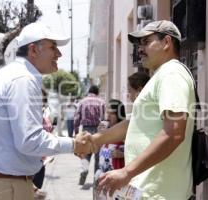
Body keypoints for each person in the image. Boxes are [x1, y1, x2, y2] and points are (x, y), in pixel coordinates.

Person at [0, 21, 92, 200]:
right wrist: (73, 144)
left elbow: (10, 142)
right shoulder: (23, 79)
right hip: (0, 186)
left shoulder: (15, 75)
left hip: (2, 182)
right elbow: (30, 141)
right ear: (33, 50)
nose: (59, 54)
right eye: (53, 47)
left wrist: (22, 181)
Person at [80, 20, 196, 199]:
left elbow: (174, 134)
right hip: (147, 191)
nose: (140, 49)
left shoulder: (171, 74)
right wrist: (96, 140)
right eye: (139, 44)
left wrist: (127, 172)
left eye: (146, 42)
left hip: (160, 193)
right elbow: (134, 124)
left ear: (166, 42)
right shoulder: (160, 76)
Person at [74, 85, 105, 185]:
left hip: (86, 130)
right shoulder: (101, 102)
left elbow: (76, 117)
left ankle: (84, 169)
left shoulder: (82, 101)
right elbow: (104, 118)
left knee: (86, 153)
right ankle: (96, 180)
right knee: (97, 156)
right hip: (98, 129)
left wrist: (76, 132)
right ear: (97, 92)